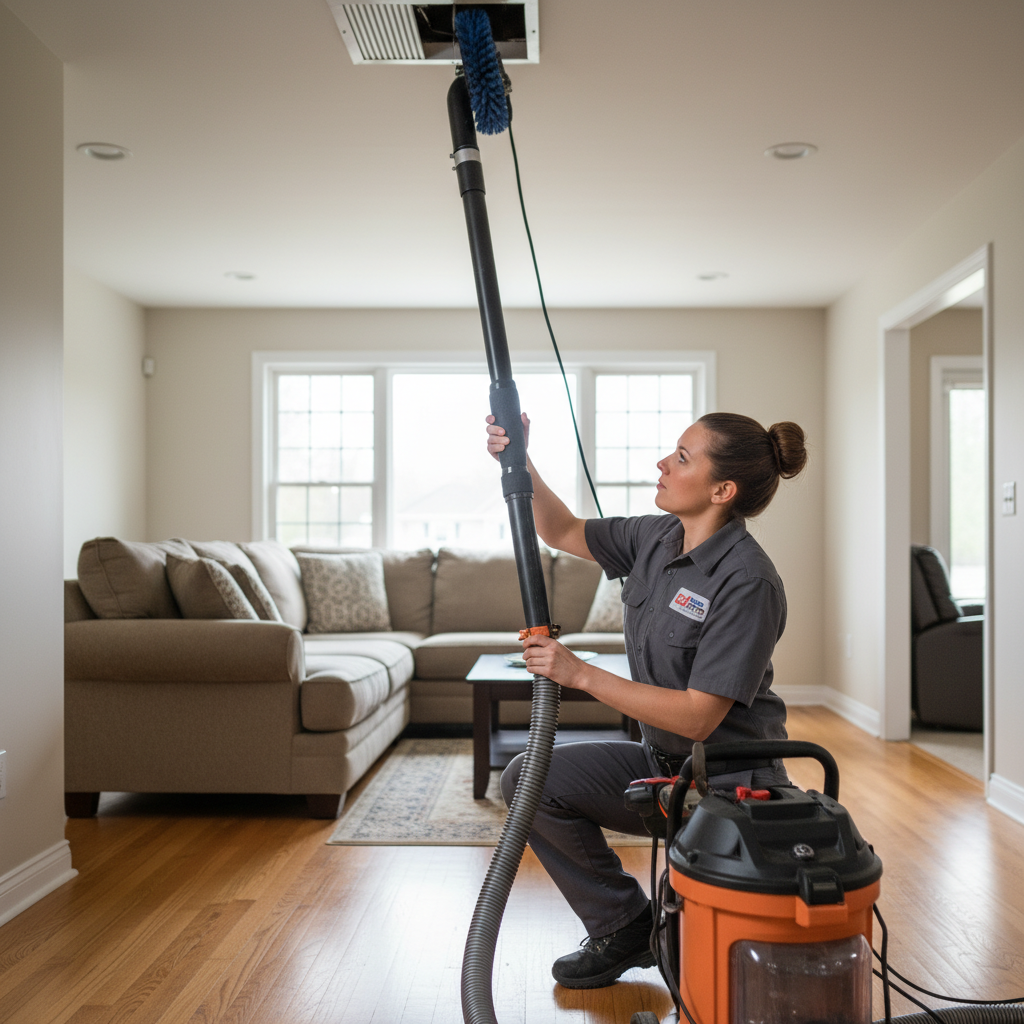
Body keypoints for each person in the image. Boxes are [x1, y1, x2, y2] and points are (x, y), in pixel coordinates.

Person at [485, 409, 808, 990]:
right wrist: (521, 456)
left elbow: (699, 717)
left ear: (721, 489)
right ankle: (625, 924)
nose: (663, 463)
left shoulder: (748, 581)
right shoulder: (654, 537)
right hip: (660, 763)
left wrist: (579, 673)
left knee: (704, 976)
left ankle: (677, 925)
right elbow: (559, 529)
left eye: (682, 457)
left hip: (731, 785)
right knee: (530, 778)